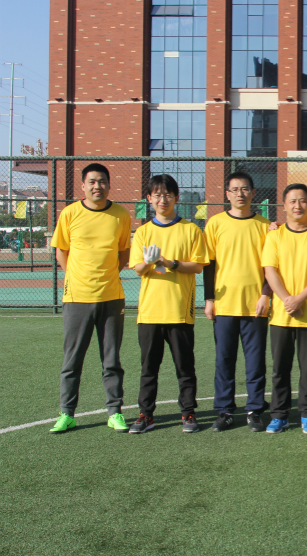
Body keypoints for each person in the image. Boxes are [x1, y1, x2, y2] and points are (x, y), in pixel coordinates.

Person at [48, 163, 132, 433]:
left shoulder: (121, 215)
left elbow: (124, 252)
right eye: (92, 182)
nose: (98, 186)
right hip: (77, 298)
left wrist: (109, 275)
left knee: (111, 360)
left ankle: (115, 412)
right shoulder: (70, 213)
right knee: (72, 359)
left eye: (102, 181)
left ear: (109, 185)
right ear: (83, 185)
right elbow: (61, 250)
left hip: (111, 297)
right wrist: (74, 276)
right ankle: (67, 413)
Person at [128, 174, 209, 433]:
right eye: (157, 195)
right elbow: (138, 269)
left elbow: (197, 266)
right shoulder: (143, 232)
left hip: (179, 310)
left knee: (185, 367)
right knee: (148, 368)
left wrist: (169, 263)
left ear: (176, 197)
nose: (162, 200)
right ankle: (146, 414)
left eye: (168, 195)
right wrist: (149, 262)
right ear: (149, 199)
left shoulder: (191, 229)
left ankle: (188, 413)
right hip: (149, 313)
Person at [262, 183, 307, 434]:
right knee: (280, 368)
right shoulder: (274, 236)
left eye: (303, 200)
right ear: (284, 206)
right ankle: (279, 415)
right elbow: (270, 271)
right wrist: (287, 300)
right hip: (281, 315)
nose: (298, 205)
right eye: (292, 201)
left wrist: (300, 299)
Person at [203, 172, 272, 433]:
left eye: (245, 189)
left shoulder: (265, 226)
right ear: (227, 194)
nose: (240, 194)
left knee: (255, 362)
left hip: (255, 306)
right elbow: (209, 264)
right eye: (234, 189)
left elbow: (272, 265)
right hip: (224, 305)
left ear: (253, 193)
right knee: (224, 360)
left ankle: (254, 410)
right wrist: (209, 299)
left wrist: (265, 294)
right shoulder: (215, 223)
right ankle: (225, 411)